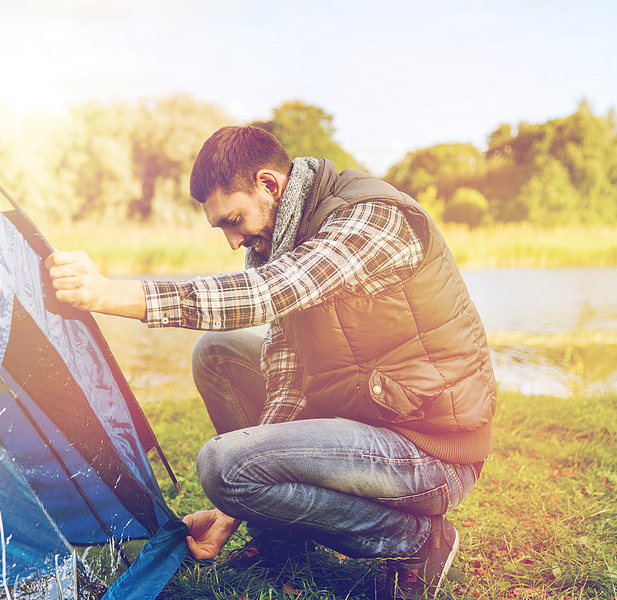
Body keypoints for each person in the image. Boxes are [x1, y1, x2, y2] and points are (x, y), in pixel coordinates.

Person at [45, 125, 496, 599]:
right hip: (369, 418)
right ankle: (280, 535)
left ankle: (419, 542)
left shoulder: (372, 219)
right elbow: (287, 381)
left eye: (233, 220)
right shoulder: (277, 240)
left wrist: (108, 293)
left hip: (432, 450)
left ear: (270, 184)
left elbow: (266, 294)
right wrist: (233, 511)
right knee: (218, 355)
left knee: (221, 464)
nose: (233, 241)